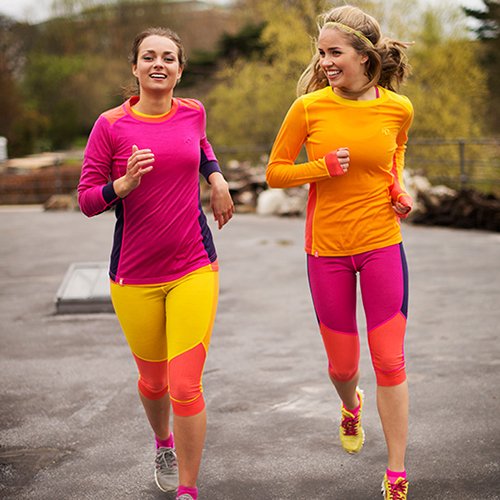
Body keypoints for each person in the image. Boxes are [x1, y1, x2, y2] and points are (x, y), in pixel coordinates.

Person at [78, 27, 234, 500]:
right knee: (154, 381)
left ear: (180, 69)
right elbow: (86, 199)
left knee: (185, 386)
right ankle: (163, 443)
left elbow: (201, 145)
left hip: (194, 265)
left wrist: (218, 178)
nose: (158, 64)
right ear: (135, 67)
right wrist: (119, 188)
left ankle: (188, 489)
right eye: (149, 57)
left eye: (168, 57)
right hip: (134, 275)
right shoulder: (110, 126)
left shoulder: (193, 112)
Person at [266, 5, 413, 500]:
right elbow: (276, 172)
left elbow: (395, 154)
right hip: (326, 250)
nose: (325, 61)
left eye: (335, 53)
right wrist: (321, 168)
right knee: (343, 368)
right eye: (321, 52)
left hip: (381, 245)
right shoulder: (307, 109)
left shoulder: (398, 107)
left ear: (365, 57)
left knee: (390, 360)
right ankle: (351, 405)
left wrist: (397, 188)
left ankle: (396, 472)